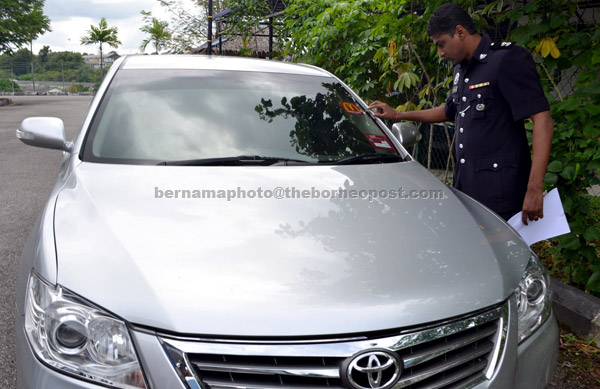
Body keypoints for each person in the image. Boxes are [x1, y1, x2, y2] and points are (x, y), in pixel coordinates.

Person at [369, 3, 553, 224]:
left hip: (502, 196)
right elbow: (449, 111)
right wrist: (397, 115)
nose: (441, 53)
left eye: (441, 44)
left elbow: (542, 120)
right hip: (468, 191)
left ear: (460, 32)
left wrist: (534, 188)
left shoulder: (505, 60)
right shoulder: (461, 70)